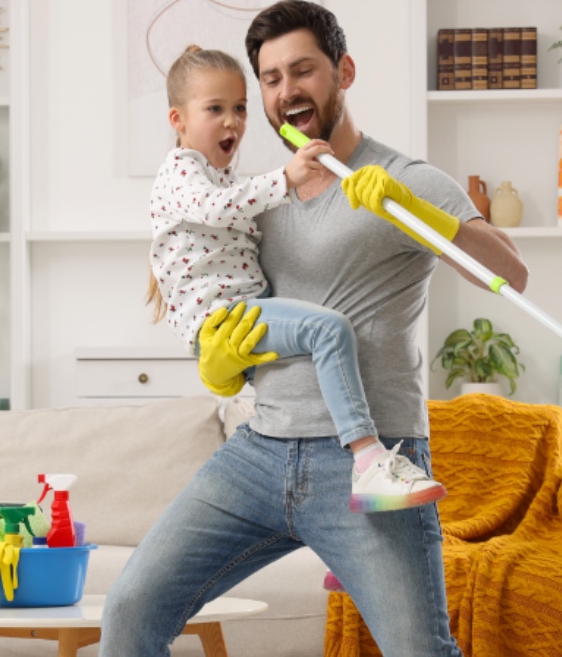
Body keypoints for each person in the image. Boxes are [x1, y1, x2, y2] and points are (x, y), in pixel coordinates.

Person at [102, 0, 527, 657]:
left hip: (371, 461)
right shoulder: (259, 197)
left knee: (420, 649)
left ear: (343, 71)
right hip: (261, 452)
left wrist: (413, 211)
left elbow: (511, 272)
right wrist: (217, 364)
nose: (285, 91)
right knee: (129, 612)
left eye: (302, 70)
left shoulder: (405, 180)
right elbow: (211, 286)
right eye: (269, 79)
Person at [147, 44, 447, 512]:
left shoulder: (222, 175)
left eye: (240, 108)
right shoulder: (182, 171)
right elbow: (215, 210)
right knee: (328, 329)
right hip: (226, 317)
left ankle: (337, 532)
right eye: (215, 109)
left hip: (242, 312)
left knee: (319, 337)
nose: (233, 122)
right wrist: (284, 179)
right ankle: (368, 459)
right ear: (178, 120)